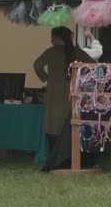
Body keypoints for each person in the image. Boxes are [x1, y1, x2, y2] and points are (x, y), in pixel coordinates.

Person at [33, 27, 101, 172]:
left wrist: (47, 78)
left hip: (54, 94)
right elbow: (93, 66)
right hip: (73, 94)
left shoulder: (51, 52)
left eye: (52, 37)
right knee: (71, 125)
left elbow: (37, 65)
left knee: (54, 126)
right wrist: (83, 80)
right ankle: (74, 160)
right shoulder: (77, 52)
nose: (50, 40)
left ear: (58, 38)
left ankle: (55, 161)